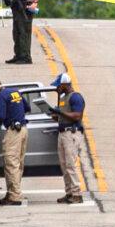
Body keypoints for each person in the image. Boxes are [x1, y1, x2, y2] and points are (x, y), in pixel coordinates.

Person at [0, 78, 28, 205]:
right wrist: (15, 113)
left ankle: (15, 196)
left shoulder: (1, 95)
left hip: (13, 131)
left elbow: (1, 117)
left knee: (11, 164)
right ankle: (12, 193)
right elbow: (27, 107)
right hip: (24, 129)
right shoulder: (15, 92)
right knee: (18, 164)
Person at [50, 72, 86, 204]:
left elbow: (77, 116)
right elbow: (63, 115)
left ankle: (77, 194)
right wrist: (55, 114)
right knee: (64, 166)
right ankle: (69, 193)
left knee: (71, 165)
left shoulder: (75, 97)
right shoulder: (63, 98)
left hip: (71, 133)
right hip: (62, 133)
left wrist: (60, 112)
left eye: (58, 86)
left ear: (65, 85)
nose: (57, 88)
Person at [5, 0, 39, 64]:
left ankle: (25, 57)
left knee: (24, 32)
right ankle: (18, 55)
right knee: (17, 32)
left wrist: (35, 1)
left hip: (25, 8)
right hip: (17, 9)